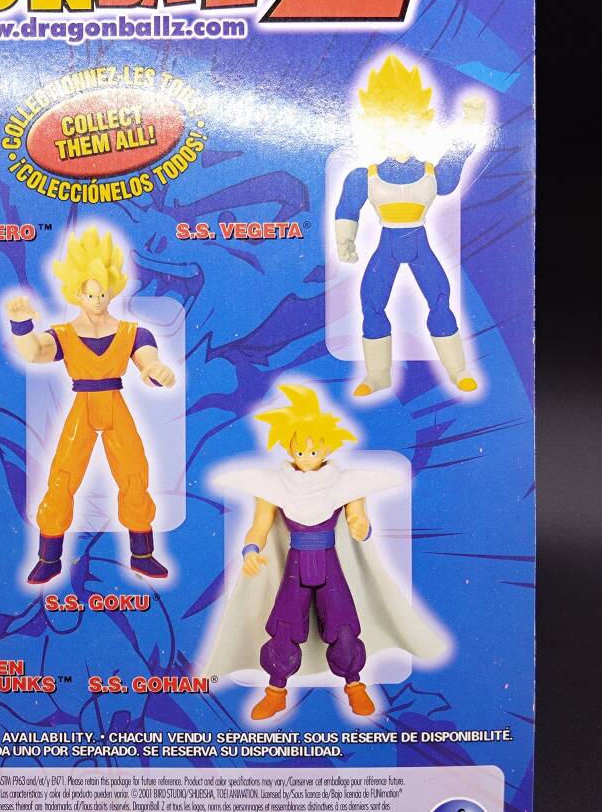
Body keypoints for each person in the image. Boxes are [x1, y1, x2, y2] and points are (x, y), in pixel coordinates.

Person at [205, 384, 447, 720]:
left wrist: (361, 526)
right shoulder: (275, 485)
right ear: (288, 448)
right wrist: (250, 550)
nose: (307, 457)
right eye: (300, 451)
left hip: (330, 564)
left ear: (327, 446)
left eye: (314, 450)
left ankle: (355, 685)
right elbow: (259, 525)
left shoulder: (345, 483)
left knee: (343, 624)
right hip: (295, 565)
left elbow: (358, 517)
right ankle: (276, 691)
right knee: (284, 627)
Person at [6, 227, 175, 584]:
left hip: (115, 404)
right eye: (90, 293)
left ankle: (142, 554)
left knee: (134, 475)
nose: (97, 300)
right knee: (62, 478)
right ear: (77, 292)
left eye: (102, 292)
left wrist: (155, 370)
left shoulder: (134, 332)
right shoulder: (64, 334)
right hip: (82, 407)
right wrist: (21, 327)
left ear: (113, 289)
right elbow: (35, 353)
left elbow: (147, 360)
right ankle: (49, 558)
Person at [334, 54, 487, 396]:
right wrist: (345, 240)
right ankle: (377, 375)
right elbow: (347, 209)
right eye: (388, 123)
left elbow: (457, 156)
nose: (398, 131)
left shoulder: (433, 173)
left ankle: (458, 369)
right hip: (387, 247)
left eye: (406, 121)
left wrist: (472, 122)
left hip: (420, 246)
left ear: (421, 123)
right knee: (371, 303)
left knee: (440, 301)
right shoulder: (364, 176)